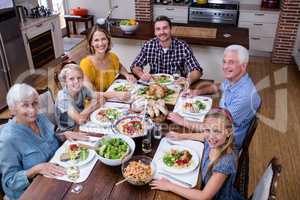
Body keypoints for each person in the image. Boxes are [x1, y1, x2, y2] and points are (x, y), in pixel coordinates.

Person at [0, 84, 88, 200]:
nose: (32, 110)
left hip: (61, 174)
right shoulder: (8, 139)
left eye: (35, 103)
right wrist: (35, 169)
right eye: (25, 105)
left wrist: (63, 135)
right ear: (13, 109)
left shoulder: (40, 118)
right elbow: (9, 182)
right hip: (35, 190)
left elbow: (51, 138)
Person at [168, 45, 261, 150]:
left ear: (243, 66)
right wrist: (198, 91)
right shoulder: (235, 79)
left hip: (226, 144)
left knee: (174, 144)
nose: (225, 66)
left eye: (231, 62)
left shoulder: (244, 96)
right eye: (224, 61)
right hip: (217, 126)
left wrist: (182, 123)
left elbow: (214, 130)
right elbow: (220, 86)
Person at [150, 108, 244, 200]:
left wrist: (169, 186)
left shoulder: (225, 162)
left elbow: (204, 196)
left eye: (217, 131)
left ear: (228, 133)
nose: (211, 137)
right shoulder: (215, 141)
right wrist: (181, 136)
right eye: (207, 130)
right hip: (199, 181)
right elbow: (203, 136)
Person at [131, 15, 203, 86]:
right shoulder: (149, 45)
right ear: (155, 32)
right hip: (154, 85)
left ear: (171, 29)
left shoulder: (183, 46)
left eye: (165, 28)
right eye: (158, 29)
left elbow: (197, 70)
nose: (162, 32)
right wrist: (141, 74)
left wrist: (188, 80)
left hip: (177, 85)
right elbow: (135, 65)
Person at [80, 25, 136, 100]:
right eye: (96, 40)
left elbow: (119, 67)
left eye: (103, 39)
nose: (101, 43)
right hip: (94, 104)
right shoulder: (86, 64)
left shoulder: (112, 57)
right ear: (91, 43)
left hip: (111, 100)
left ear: (108, 40)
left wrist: (127, 75)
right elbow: (90, 94)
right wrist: (114, 95)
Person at [55, 63, 104, 131]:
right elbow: (80, 120)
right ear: (65, 81)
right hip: (69, 132)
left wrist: (86, 111)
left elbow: (102, 99)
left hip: (83, 124)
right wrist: (91, 107)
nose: (76, 81)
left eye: (79, 78)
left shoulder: (82, 88)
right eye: (71, 79)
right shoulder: (62, 98)